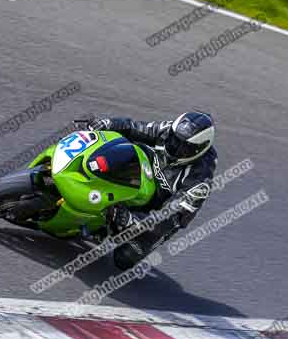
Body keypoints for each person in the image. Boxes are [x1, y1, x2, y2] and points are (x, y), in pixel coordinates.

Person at [87, 111, 217, 269]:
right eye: (174, 141)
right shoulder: (170, 130)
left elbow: (170, 218)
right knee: (120, 149)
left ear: (198, 150)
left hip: (156, 210)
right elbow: (136, 128)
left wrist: (133, 220)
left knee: (125, 259)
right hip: (143, 175)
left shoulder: (199, 181)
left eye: (183, 147)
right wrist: (108, 124)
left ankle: (116, 224)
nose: (174, 147)